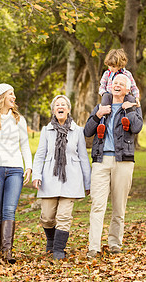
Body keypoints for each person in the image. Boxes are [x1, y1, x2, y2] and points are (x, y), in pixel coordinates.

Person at [84, 74, 143, 258]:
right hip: (101, 161)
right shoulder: (101, 107)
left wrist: (131, 110)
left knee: (119, 206)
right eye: (115, 83)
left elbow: (136, 127)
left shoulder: (133, 107)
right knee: (97, 205)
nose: (117, 86)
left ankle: (115, 243)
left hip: (123, 161)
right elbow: (87, 131)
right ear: (110, 87)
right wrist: (97, 115)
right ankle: (94, 247)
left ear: (127, 90)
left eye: (121, 84)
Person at [32, 95, 91, 260]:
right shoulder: (46, 130)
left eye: (63, 104)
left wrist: (88, 182)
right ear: (53, 110)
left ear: (68, 109)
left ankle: (58, 250)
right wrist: (36, 175)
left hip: (71, 178)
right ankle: (51, 241)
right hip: (49, 177)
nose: (60, 106)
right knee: (47, 217)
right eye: (57, 104)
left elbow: (84, 158)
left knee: (64, 217)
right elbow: (40, 155)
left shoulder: (77, 131)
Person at [0, 83, 32, 264]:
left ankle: (7, 252)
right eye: (11, 93)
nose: (14, 97)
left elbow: (24, 145)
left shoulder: (19, 119)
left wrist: (29, 166)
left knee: (9, 210)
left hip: (15, 169)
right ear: (1, 96)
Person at [98, 49, 140, 139]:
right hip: (110, 95)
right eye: (109, 66)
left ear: (120, 65)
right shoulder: (107, 74)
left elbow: (133, 87)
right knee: (105, 98)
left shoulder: (127, 74)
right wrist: (104, 93)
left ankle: (126, 122)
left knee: (130, 100)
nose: (111, 68)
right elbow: (102, 86)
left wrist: (136, 97)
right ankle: (102, 124)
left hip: (123, 95)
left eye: (113, 66)